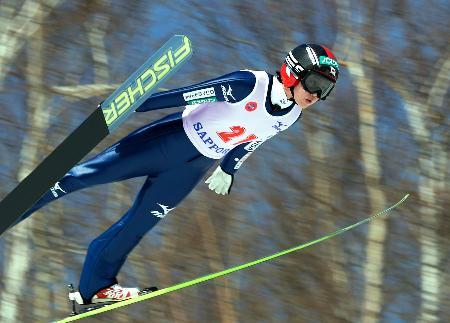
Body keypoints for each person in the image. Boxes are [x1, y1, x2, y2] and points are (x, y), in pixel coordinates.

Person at [13, 43, 340, 305]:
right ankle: (18, 206)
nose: (316, 95)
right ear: (293, 72)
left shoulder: (292, 115)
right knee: (84, 176)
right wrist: (135, 103)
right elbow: (189, 94)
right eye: (315, 83)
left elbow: (252, 140)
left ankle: (93, 288)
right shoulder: (247, 85)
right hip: (169, 140)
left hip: (191, 170)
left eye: (325, 91)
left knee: (137, 226)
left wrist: (228, 169)